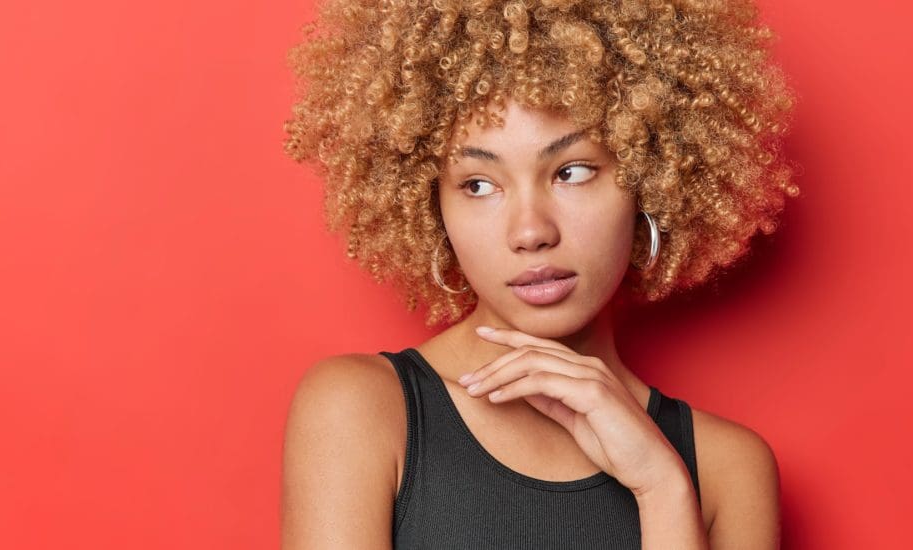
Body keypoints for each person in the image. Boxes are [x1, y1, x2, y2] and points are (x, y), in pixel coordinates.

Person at [280, 0, 799, 548]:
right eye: (479, 184)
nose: (530, 232)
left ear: (651, 178)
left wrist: (661, 488)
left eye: (571, 172)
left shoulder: (726, 469)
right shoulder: (361, 410)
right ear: (433, 209)